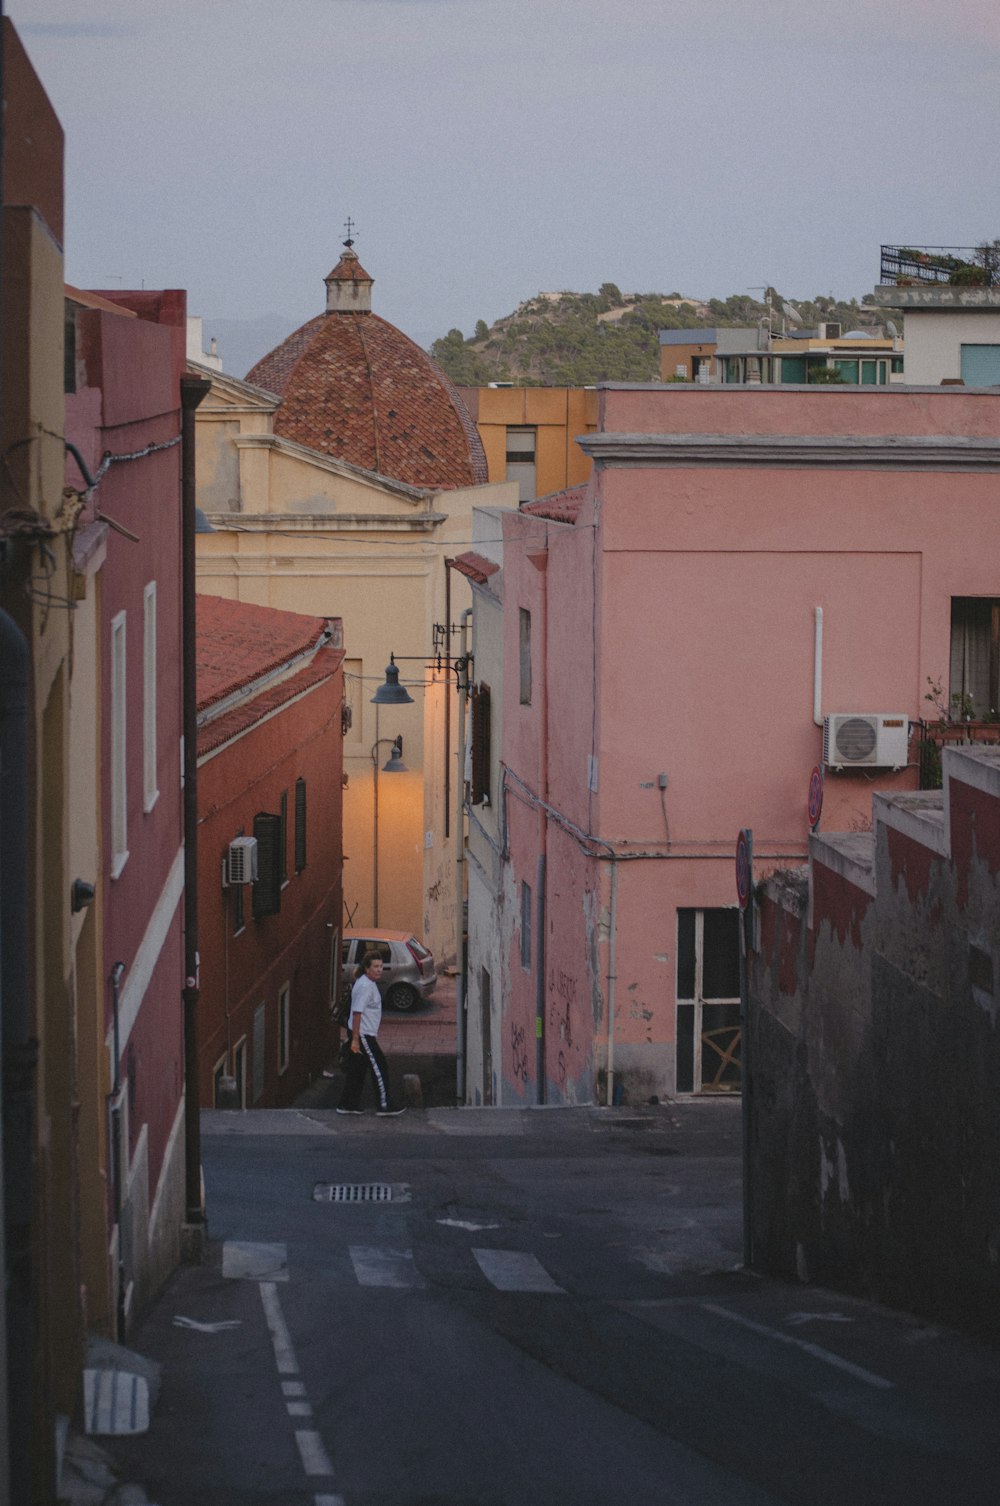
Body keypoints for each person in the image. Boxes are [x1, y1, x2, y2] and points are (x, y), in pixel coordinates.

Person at [336, 951, 404, 1115]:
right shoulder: (366, 986)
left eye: (381, 966)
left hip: (361, 1033)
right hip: (363, 1035)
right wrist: (356, 1040)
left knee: (357, 1070)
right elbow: (357, 1013)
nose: (379, 969)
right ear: (367, 968)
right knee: (379, 1067)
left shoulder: (366, 982)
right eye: (375, 966)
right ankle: (384, 1104)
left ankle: (347, 1104)